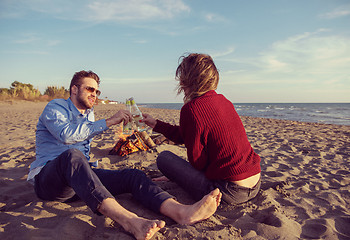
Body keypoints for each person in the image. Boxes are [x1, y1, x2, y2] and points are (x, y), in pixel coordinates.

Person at [27, 70, 222, 240]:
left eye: (97, 91)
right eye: (89, 89)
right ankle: (130, 221)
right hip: (49, 181)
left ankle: (180, 212)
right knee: (72, 155)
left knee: (132, 176)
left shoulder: (89, 114)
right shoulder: (55, 107)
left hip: (80, 180)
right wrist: (110, 121)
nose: (94, 94)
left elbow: (85, 139)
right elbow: (66, 135)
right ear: (74, 90)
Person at [142, 53, 261, 205]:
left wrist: (179, 174)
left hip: (228, 191)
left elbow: (197, 163)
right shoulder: (225, 101)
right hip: (255, 183)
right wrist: (156, 124)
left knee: (164, 158)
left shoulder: (191, 109)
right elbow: (187, 134)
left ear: (187, 80)